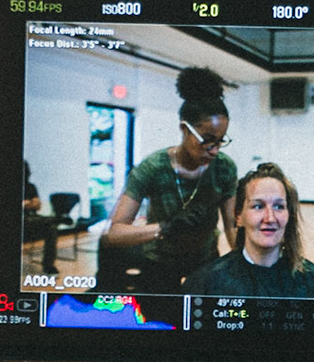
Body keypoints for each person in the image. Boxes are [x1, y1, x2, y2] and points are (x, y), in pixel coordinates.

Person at [101, 67, 240, 292]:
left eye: (220, 141)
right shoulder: (152, 168)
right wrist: (166, 228)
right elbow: (115, 234)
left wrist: (244, 267)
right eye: (207, 140)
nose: (214, 150)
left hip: (205, 261)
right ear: (185, 129)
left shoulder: (224, 168)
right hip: (160, 263)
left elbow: (232, 227)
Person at [183, 162, 314, 299]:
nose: (270, 218)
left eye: (279, 206)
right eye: (258, 206)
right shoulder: (205, 284)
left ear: (289, 215)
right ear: (239, 216)